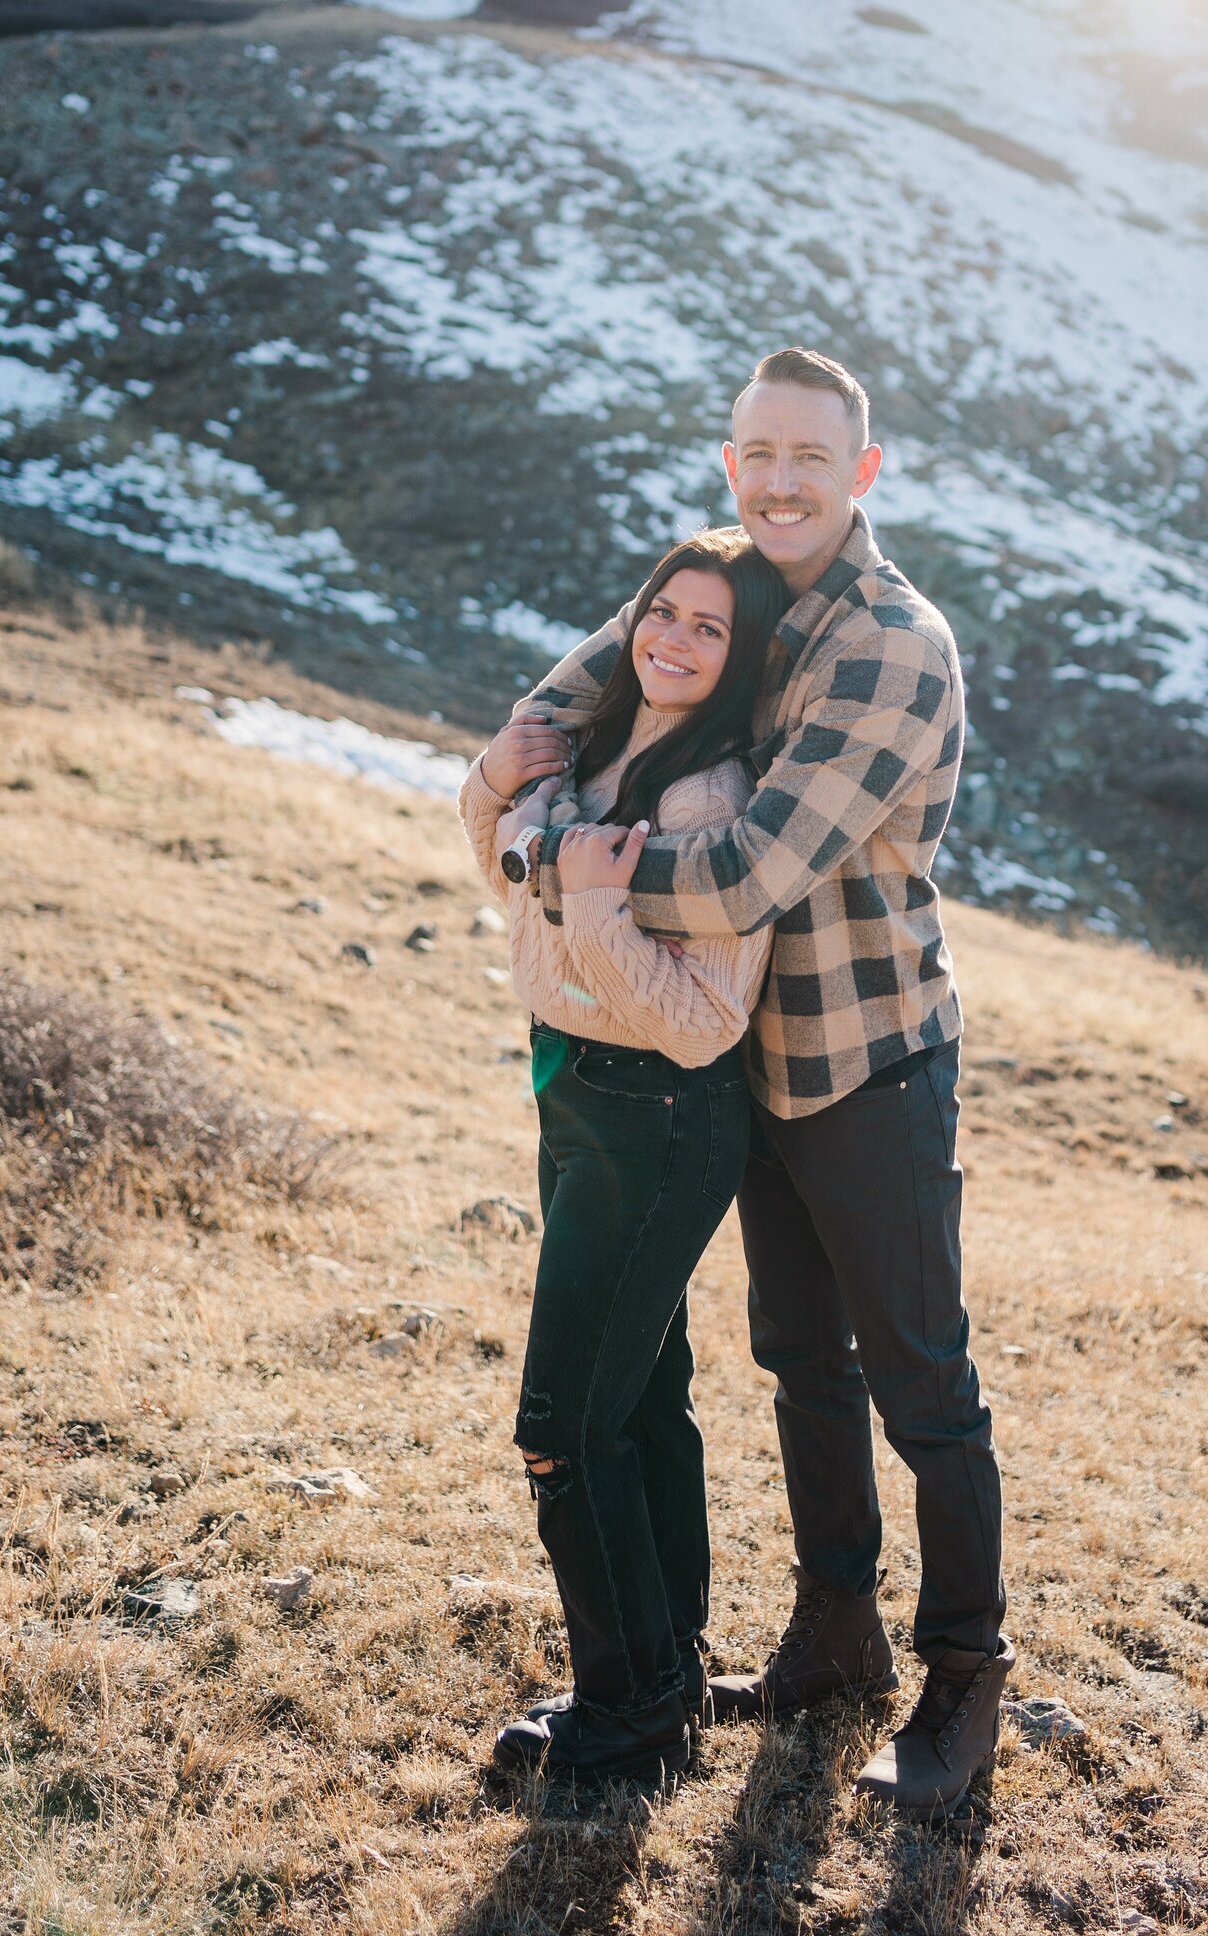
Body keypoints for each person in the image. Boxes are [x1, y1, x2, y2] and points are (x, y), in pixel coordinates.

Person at [497, 347, 1013, 1822]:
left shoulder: (891, 645)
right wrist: (528, 796)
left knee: (921, 1379)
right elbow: (558, 706)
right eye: (756, 454)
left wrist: (572, 862)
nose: (779, 480)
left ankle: (965, 1673)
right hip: (730, 1059)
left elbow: (743, 870)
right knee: (798, 1357)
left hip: (864, 1056)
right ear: (733, 464)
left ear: (862, 472)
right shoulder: (726, 582)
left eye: (810, 457)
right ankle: (832, 1634)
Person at [459, 527, 789, 1792]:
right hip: (579, 1099)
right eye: (666, 612)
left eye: (712, 629)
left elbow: (705, 1021)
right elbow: (506, 872)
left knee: (562, 1425)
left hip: (658, 1116)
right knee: (640, 1401)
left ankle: (629, 1714)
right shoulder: (603, 742)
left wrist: (593, 901)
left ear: (743, 651)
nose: (676, 642)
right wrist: (498, 781)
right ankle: (666, 1668)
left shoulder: (715, 796)